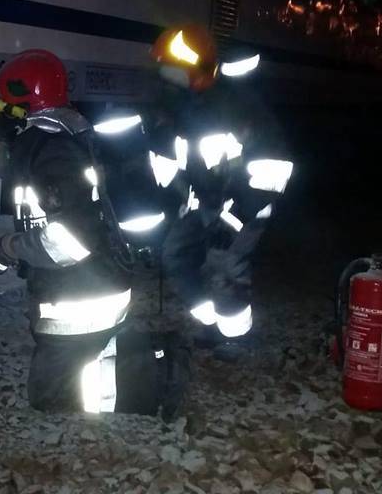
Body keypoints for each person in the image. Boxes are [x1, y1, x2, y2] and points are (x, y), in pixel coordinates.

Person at [0, 49, 189, 418]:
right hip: (86, 282)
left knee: (52, 395)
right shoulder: (47, 138)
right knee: (62, 377)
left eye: (2, 102)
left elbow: (72, 240)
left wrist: (8, 248)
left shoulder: (54, 153)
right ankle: (131, 353)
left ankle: (163, 371)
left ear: (24, 102)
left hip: (85, 294)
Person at [92, 26, 293, 354]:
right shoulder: (180, 109)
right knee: (176, 257)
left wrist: (236, 217)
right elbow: (170, 160)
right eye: (165, 71)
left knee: (225, 267)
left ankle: (236, 338)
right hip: (203, 204)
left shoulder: (239, 107)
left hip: (243, 205)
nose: (167, 78)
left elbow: (273, 166)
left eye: (174, 71)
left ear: (198, 72)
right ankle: (213, 324)